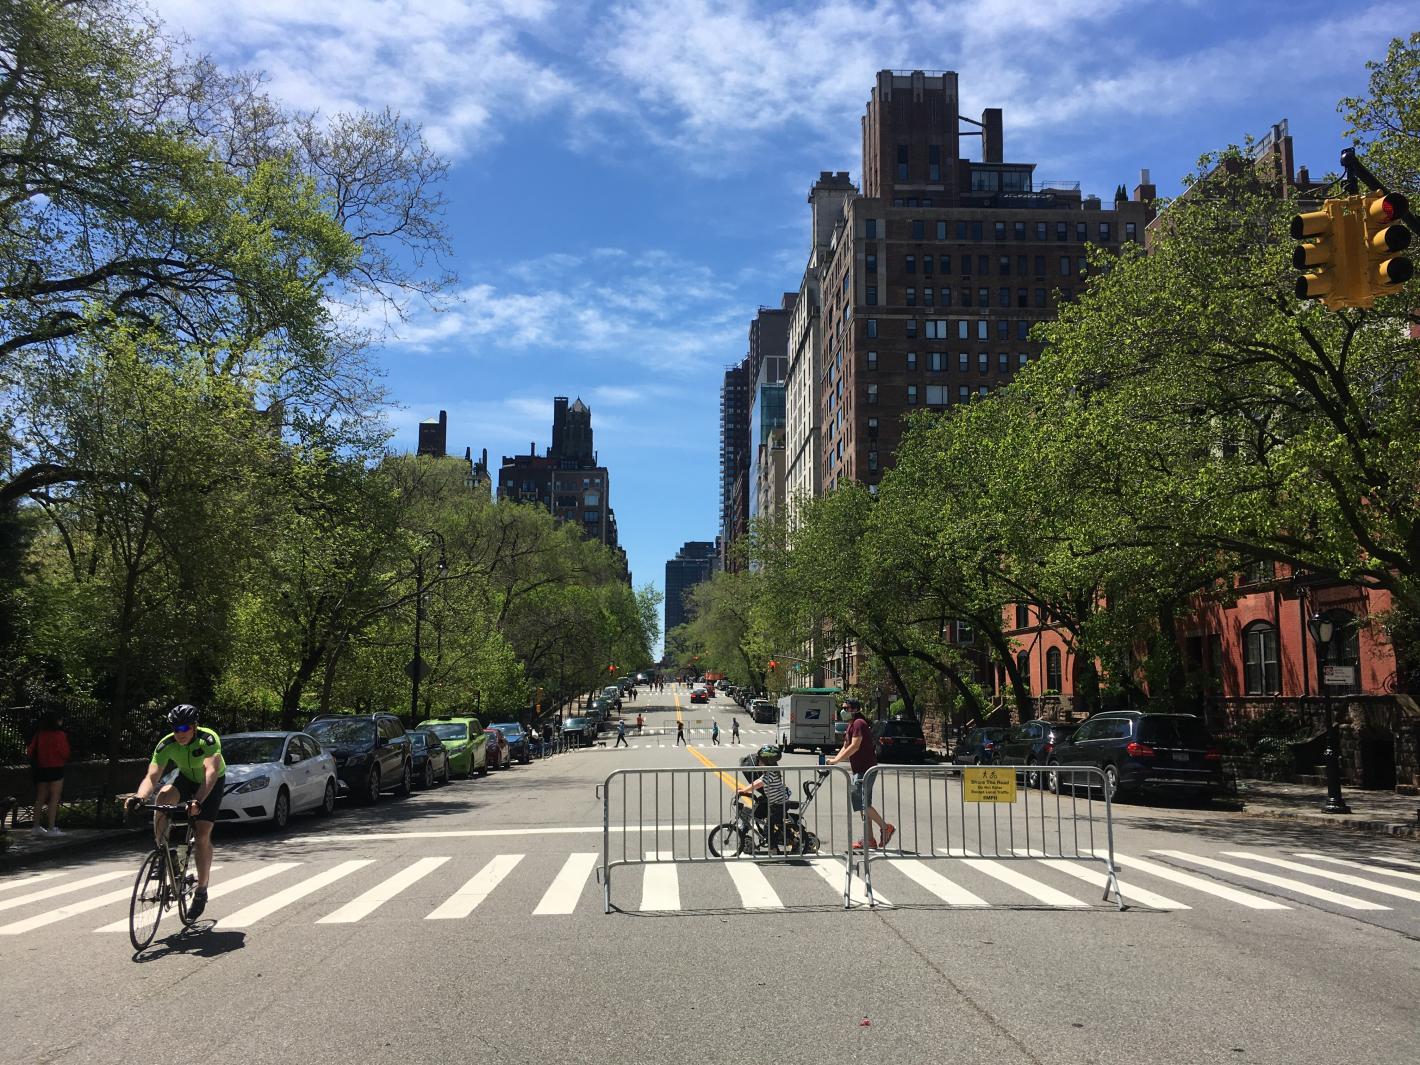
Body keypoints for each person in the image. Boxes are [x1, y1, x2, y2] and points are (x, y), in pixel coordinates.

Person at [125, 704, 225, 921]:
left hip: (211, 783)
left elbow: (211, 771)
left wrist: (197, 801)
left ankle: (201, 890)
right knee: (163, 796)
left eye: (184, 727)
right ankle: (162, 852)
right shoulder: (166, 744)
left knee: (202, 834)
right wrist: (139, 798)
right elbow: (152, 776)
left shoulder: (207, 739)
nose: (179, 733)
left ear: (194, 726)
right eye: (175, 728)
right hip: (187, 779)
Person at [824, 698, 893, 851]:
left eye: (846, 708)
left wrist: (836, 761)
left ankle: (885, 827)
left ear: (854, 709)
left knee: (863, 804)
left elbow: (855, 746)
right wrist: (834, 760)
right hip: (858, 770)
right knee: (861, 806)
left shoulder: (859, 723)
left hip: (866, 770)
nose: (843, 711)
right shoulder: (851, 726)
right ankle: (869, 840)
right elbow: (846, 746)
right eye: (842, 707)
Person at [736, 745, 790, 852]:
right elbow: (756, 782)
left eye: (760, 761)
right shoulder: (767, 772)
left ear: (768, 762)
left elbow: (759, 784)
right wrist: (744, 789)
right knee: (767, 824)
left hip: (779, 804)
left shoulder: (771, 774)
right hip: (774, 803)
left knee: (768, 827)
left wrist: (745, 790)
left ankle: (773, 848)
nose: (758, 763)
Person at [26, 713, 71, 837]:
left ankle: (36, 826)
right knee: (54, 798)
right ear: (57, 721)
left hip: (41, 768)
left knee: (40, 797)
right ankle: (51, 828)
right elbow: (65, 753)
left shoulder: (39, 734)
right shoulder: (60, 735)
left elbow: (30, 751)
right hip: (56, 768)